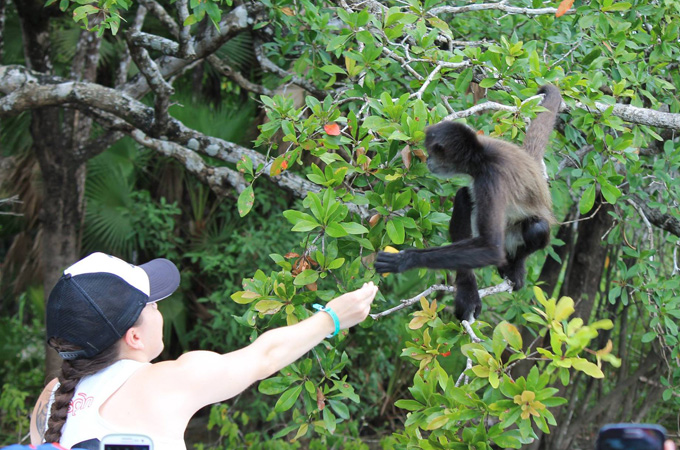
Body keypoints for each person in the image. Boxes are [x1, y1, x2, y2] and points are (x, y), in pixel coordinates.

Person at [29, 252, 378, 450]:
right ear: (134, 337)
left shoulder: (51, 399)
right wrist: (333, 317)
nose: (159, 312)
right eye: (152, 305)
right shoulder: (170, 382)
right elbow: (264, 357)